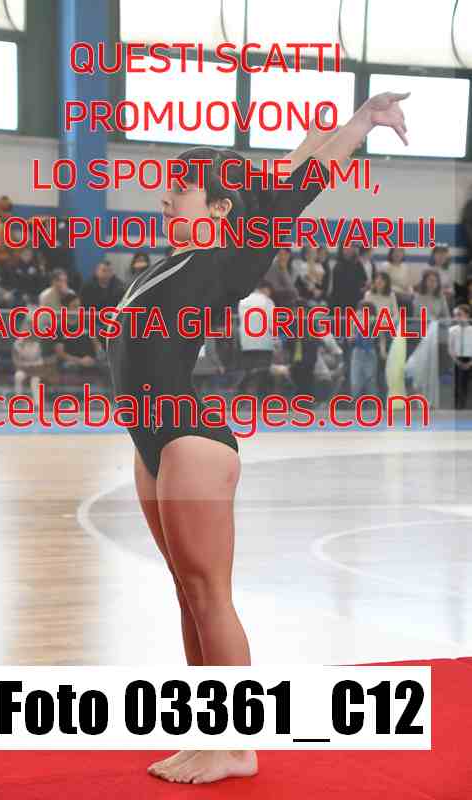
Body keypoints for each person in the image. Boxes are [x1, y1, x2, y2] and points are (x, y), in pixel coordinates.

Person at [105, 90, 409, 785]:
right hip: (152, 441)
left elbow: (295, 186)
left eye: (181, 190)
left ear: (219, 211)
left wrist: (359, 124)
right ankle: (204, 731)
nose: (166, 199)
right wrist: (309, 142)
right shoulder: (168, 262)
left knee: (209, 591)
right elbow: (278, 175)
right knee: (187, 591)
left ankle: (237, 744)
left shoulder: (227, 257)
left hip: (189, 440)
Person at [236, 279, 276, 402]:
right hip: (264, 342)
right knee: (263, 371)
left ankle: (242, 396)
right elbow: (272, 324)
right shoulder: (267, 302)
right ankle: (262, 398)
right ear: (265, 289)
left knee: (248, 370)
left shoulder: (243, 301)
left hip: (246, 341)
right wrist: (276, 340)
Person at [349, 301, 387, 399]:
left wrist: (382, 351)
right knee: (355, 382)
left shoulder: (375, 323)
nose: (359, 315)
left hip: (370, 352)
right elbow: (350, 338)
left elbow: (382, 339)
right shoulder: (355, 323)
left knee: (371, 381)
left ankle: (373, 403)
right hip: (357, 353)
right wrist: (352, 338)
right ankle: (355, 402)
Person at [328, 243, 366, 310]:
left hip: (354, 301)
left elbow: (364, 280)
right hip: (338, 302)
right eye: (346, 248)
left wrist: (362, 290)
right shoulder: (336, 265)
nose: (349, 250)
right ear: (342, 249)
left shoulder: (358, 264)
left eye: (350, 247)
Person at [448, 304, 472, 410]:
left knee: (466, 384)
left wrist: (470, 363)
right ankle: (458, 407)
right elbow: (450, 348)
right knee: (457, 385)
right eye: (455, 315)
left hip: (469, 359)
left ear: (467, 315)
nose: (457, 317)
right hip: (457, 359)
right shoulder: (452, 330)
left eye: (459, 314)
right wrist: (457, 361)